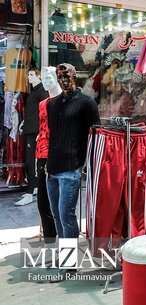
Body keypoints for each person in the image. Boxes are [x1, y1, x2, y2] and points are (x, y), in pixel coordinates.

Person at [46, 63, 100, 239]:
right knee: (56, 215)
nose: (62, 80)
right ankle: (64, 255)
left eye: (66, 76)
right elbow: (52, 135)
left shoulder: (87, 103)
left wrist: (88, 165)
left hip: (71, 169)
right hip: (52, 169)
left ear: (74, 76)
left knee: (66, 216)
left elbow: (96, 136)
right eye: (59, 77)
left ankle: (69, 264)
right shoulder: (52, 104)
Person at [36, 67, 62, 246]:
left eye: (49, 78)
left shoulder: (66, 101)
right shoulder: (43, 103)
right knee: (43, 200)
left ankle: (64, 239)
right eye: (43, 79)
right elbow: (42, 128)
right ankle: (50, 241)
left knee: (62, 203)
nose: (45, 82)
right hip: (42, 153)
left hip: (60, 154)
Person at [15, 68, 48, 206]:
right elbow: (33, 112)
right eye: (28, 75)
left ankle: (29, 194)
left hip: (35, 132)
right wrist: (24, 122)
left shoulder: (42, 91)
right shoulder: (34, 91)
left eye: (31, 75)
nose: (28, 77)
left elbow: (45, 114)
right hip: (29, 130)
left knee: (31, 162)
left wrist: (41, 132)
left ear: (39, 76)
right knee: (30, 161)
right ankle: (33, 188)